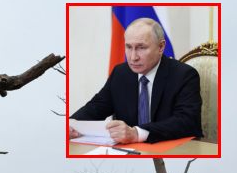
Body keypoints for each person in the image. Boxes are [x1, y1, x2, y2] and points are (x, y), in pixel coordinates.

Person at [70, 18, 202, 144]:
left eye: (141, 48)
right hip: (130, 153)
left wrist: (137, 133)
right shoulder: (121, 73)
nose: (133, 57)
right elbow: (96, 107)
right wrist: (71, 124)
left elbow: (187, 122)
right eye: (128, 47)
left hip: (172, 151)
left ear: (161, 47)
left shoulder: (184, 75)